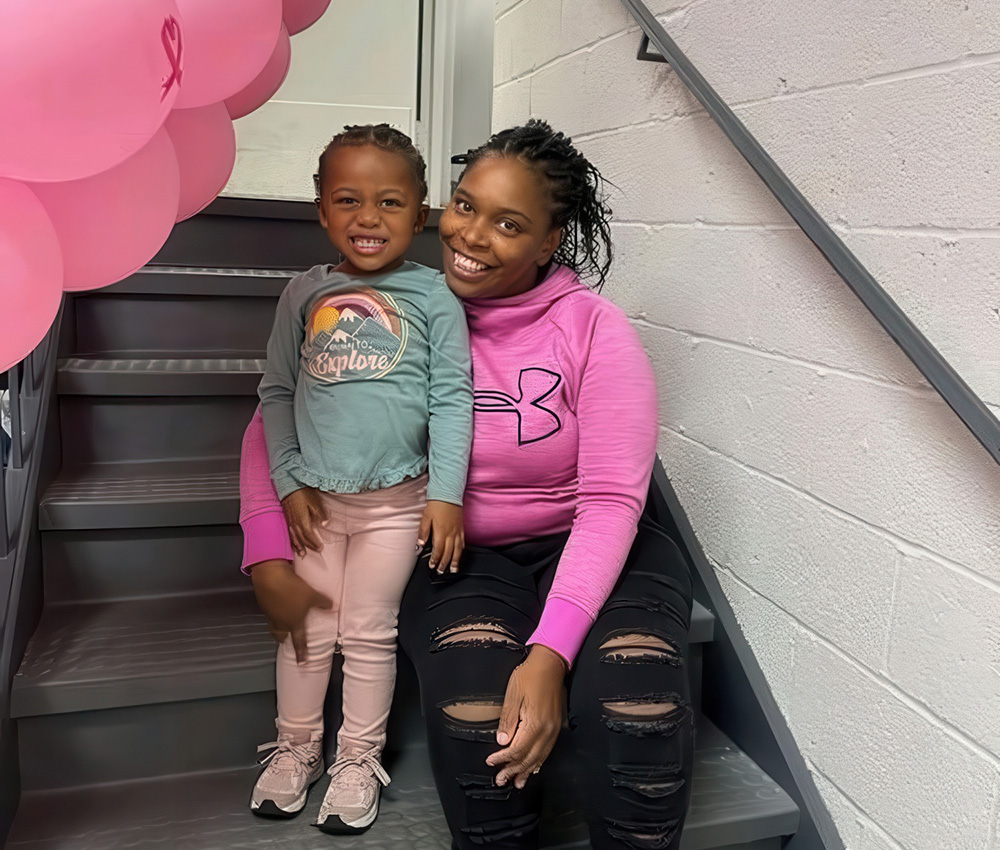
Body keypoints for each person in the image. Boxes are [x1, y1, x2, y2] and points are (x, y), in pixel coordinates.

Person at [243, 119, 694, 849]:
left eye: (508, 223)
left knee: (634, 701)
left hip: (594, 548)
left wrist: (550, 654)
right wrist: (268, 541)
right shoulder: (397, 307)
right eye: (464, 205)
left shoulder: (594, 329)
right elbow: (280, 412)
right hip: (460, 556)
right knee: (477, 719)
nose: (472, 235)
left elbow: (612, 501)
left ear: (549, 243)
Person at [243, 123, 473, 834]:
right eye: (348, 200)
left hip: (396, 506)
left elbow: (452, 398)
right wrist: (286, 483)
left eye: (390, 203)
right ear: (320, 210)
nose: (368, 218)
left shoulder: (435, 298)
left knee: (368, 632)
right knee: (307, 630)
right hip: (315, 501)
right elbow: (275, 393)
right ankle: (297, 749)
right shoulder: (303, 294)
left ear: (421, 211)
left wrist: (446, 495)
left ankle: (356, 758)